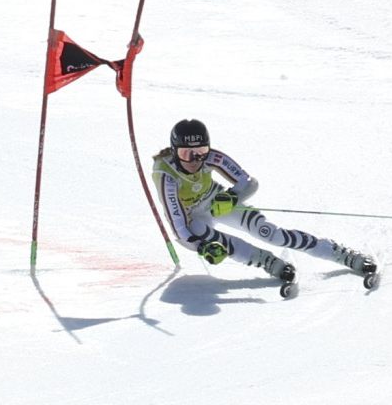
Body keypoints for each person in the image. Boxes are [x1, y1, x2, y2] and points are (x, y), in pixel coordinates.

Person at [152, 119, 378, 297]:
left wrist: (231, 197)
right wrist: (201, 248)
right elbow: (178, 226)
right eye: (185, 153)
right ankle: (267, 262)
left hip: (215, 201)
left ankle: (342, 254)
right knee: (202, 231)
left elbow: (249, 183)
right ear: (174, 151)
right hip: (190, 219)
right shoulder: (166, 175)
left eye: (200, 150)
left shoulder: (212, 157)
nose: (194, 159)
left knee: (272, 234)